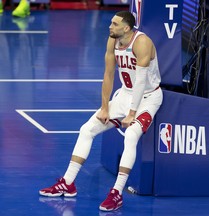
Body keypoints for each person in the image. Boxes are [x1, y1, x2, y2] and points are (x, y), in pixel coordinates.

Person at [39, 11, 163, 212]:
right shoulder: (113, 41)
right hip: (124, 95)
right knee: (87, 129)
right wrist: (105, 107)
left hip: (148, 98)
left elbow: (141, 82)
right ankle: (68, 183)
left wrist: (132, 113)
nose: (109, 26)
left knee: (131, 136)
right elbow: (108, 74)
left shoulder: (142, 43)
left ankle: (117, 193)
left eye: (114, 24)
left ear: (126, 28)